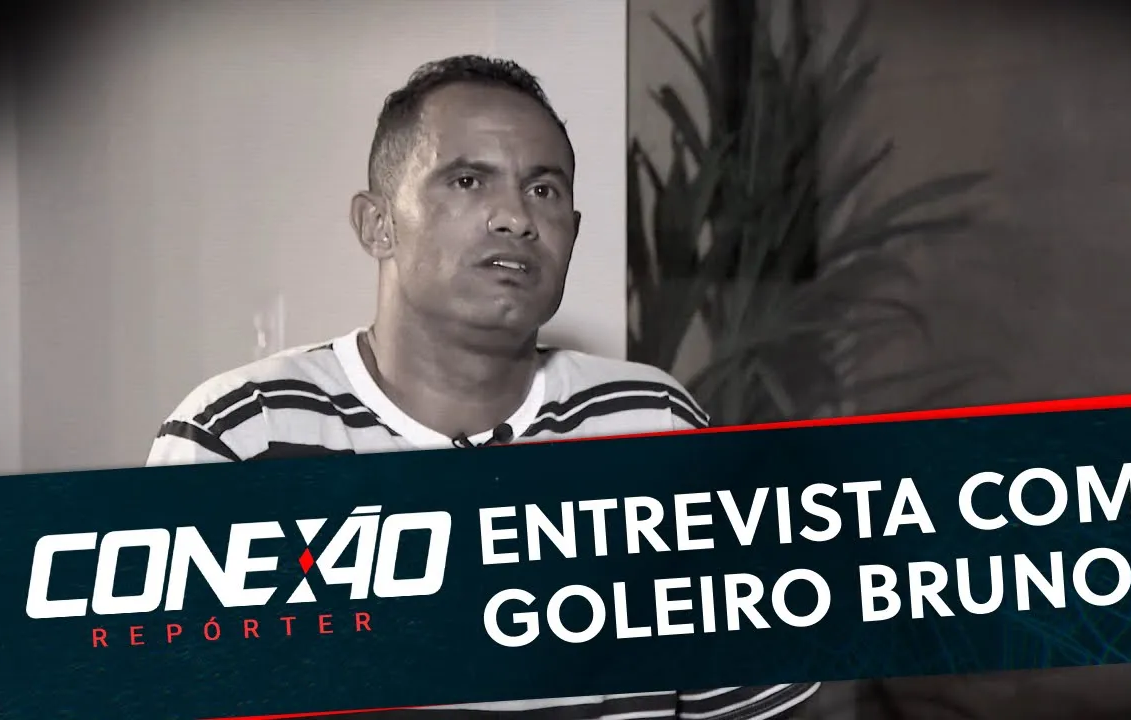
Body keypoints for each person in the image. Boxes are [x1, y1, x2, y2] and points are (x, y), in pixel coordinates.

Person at [146, 56, 819, 720]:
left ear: (572, 233)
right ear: (378, 224)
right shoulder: (243, 435)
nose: (516, 218)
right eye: (468, 181)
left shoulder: (653, 425)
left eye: (544, 191)